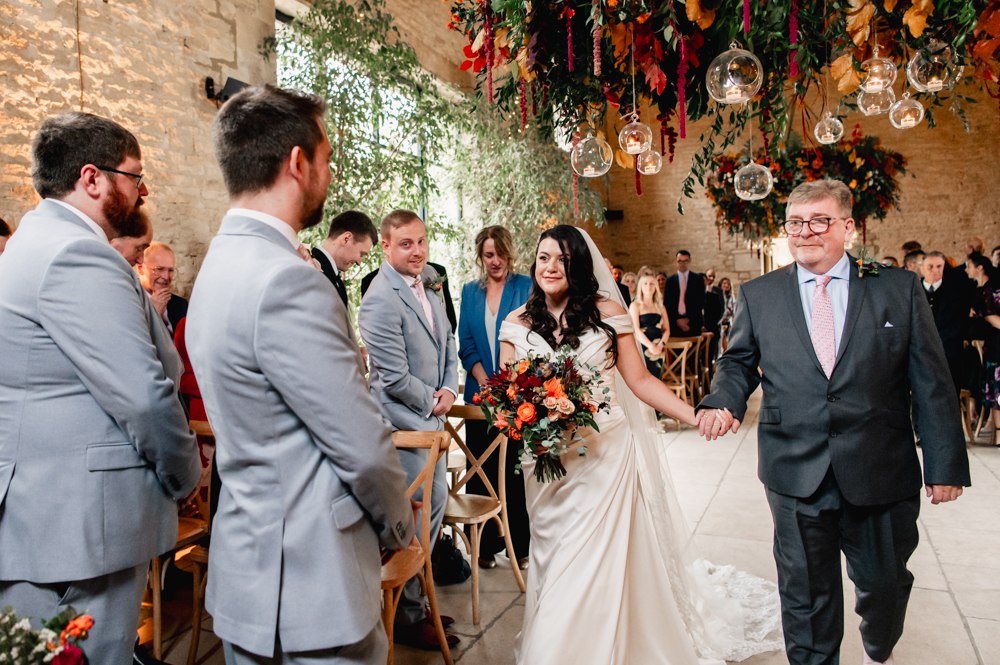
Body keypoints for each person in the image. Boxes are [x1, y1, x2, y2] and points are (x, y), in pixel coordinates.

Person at [185, 84, 414, 665]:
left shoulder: (217, 265)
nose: (329, 173)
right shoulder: (286, 279)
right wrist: (398, 528)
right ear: (297, 162)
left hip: (249, 575)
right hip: (313, 585)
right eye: (328, 157)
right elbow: (362, 448)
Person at [698, 179, 970, 665]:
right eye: (796, 223)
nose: (806, 232)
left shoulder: (897, 289)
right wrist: (724, 401)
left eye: (819, 221)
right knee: (805, 597)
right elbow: (737, 361)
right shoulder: (760, 295)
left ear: (848, 226)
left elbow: (931, 380)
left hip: (881, 468)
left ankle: (877, 650)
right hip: (794, 468)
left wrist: (945, 463)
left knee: (884, 583)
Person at [500, 225, 781, 665]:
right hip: (548, 465)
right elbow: (510, 395)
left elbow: (641, 380)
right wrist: (526, 420)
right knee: (554, 561)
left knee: (593, 562)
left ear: (579, 267)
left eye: (562, 260)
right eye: (543, 259)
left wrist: (696, 414)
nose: (551, 267)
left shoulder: (608, 311)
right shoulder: (515, 324)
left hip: (604, 458)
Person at [0, 112, 200, 664]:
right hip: (75, 527)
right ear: (92, 179)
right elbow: (142, 393)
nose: (142, 191)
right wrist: (186, 472)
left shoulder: (37, 238)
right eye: (134, 177)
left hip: (55, 518)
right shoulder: (75, 253)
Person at [358, 209, 461, 651]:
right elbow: (394, 378)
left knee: (431, 515)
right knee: (414, 519)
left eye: (421, 241)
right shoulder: (379, 299)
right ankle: (406, 614)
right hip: (404, 428)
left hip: (432, 420)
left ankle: (416, 603)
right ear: (385, 246)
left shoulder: (431, 283)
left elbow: (449, 342)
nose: (417, 251)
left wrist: (451, 390)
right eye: (405, 244)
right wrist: (433, 402)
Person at [457, 225, 533, 570]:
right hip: (479, 398)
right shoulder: (470, 292)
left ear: (509, 253)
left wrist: (507, 385)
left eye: (500, 253)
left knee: (513, 472)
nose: (495, 261)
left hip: (516, 396)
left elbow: (532, 339)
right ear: (480, 256)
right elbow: (466, 344)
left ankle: (519, 547)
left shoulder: (525, 287)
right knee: (480, 471)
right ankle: (484, 548)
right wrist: (485, 381)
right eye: (489, 255)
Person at [922, 251, 971, 396]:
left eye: (939, 266)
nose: (935, 270)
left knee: (950, 395)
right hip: (919, 352)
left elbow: (959, 322)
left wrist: (936, 342)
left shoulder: (956, 291)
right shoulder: (911, 290)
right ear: (922, 268)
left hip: (949, 352)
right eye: (930, 266)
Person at [361, 261, 457, 332]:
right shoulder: (371, 281)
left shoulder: (436, 272)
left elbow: (450, 322)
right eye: (406, 244)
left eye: (420, 241)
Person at [311, 209, 377, 308]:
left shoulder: (333, 277)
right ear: (346, 239)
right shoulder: (311, 271)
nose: (359, 262)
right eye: (361, 254)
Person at [966, 252, 1000, 436]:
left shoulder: (991, 289)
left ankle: (988, 422)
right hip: (978, 346)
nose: (966, 269)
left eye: (969, 265)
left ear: (979, 268)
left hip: (988, 343)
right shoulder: (976, 290)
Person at [137, 242, 187, 335]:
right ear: (140, 268)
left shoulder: (181, 305)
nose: (166, 276)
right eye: (159, 269)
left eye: (170, 270)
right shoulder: (129, 301)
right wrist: (153, 315)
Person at [629, 274, 668, 378]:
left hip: (659, 348)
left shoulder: (660, 307)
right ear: (640, 287)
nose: (648, 286)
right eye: (645, 284)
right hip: (642, 346)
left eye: (651, 283)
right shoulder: (635, 305)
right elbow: (635, 329)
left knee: (657, 376)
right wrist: (651, 346)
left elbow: (667, 330)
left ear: (655, 287)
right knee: (643, 378)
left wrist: (660, 345)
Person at [663, 250, 705, 335]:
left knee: (694, 348)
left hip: (693, 322)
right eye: (680, 261)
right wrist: (678, 321)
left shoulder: (698, 279)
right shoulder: (670, 280)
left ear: (689, 261)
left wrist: (687, 319)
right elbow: (667, 303)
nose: (683, 264)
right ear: (676, 262)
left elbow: (701, 301)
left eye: (685, 261)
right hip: (675, 323)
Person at [703, 269, 725, 363]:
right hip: (701, 327)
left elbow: (721, 308)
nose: (711, 278)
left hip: (713, 325)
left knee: (713, 352)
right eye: (709, 276)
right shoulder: (697, 292)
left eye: (713, 276)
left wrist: (716, 322)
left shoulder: (718, 292)